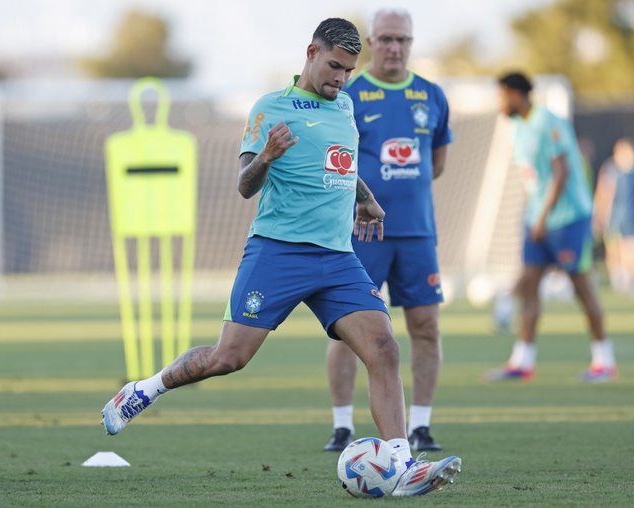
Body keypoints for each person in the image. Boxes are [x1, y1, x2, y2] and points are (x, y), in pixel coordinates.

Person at [100, 18, 461, 496]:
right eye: (334, 66)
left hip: (337, 257)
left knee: (384, 348)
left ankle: (399, 464)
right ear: (311, 53)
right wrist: (267, 155)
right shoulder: (270, 107)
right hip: (278, 252)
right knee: (228, 358)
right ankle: (145, 390)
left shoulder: (346, 106)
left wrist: (365, 198)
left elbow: (339, 164)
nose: (340, 79)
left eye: (349, 71)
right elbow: (244, 185)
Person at [322, 8, 452, 454]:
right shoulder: (349, 94)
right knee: (348, 329)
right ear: (372, 43)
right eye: (387, 39)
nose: (395, 47)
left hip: (417, 234)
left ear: (411, 43)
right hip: (362, 236)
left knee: (426, 328)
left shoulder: (432, 95)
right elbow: (336, 160)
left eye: (403, 40)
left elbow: (437, 164)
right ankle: (342, 426)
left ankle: (421, 426)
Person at [485, 71, 617, 383]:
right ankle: (522, 362)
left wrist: (541, 216)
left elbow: (561, 173)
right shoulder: (517, 126)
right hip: (538, 219)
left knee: (582, 288)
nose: (498, 103)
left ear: (516, 94)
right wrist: (535, 215)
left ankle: (604, 360)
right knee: (529, 286)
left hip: (568, 219)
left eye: (501, 95)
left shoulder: (549, 122)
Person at [593, 138, 634, 296]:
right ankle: (618, 278)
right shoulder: (611, 170)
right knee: (613, 246)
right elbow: (604, 193)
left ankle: (632, 279)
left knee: (631, 246)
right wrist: (599, 214)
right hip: (615, 215)